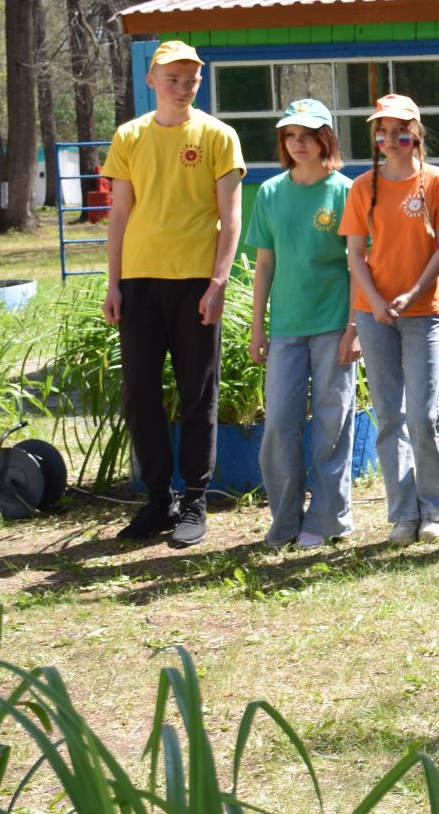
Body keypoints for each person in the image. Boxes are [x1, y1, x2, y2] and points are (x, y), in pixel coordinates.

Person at [102, 41, 245, 548]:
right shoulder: (129, 137)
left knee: (197, 395)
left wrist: (218, 283)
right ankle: (158, 500)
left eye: (191, 80)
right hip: (139, 283)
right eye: (174, 79)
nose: (183, 88)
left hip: (195, 284)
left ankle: (195, 499)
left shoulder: (217, 136)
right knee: (140, 393)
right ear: (152, 80)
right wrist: (113, 283)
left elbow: (231, 219)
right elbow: (118, 216)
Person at [342, 93, 439, 545]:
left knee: (425, 414)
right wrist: (374, 302)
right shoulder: (361, 187)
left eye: (401, 131)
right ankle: (402, 514)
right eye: (382, 132)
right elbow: (354, 255)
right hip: (373, 314)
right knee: (390, 414)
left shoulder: (437, 182)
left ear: (416, 134)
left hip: (423, 312)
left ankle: (434, 509)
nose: (391, 140)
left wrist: (412, 293)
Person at [246, 99, 359, 548]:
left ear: (325, 138)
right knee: (279, 424)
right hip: (287, 329)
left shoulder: (346, 192)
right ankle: (285, 520)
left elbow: (357, 267)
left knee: (333, 423)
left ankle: (330, 519)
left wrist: (354, 329)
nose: (299, 143)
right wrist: (258, 327)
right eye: (291, 135)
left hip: (333, 324)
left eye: (308, 135)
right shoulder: (271, 193)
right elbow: (264, 265)